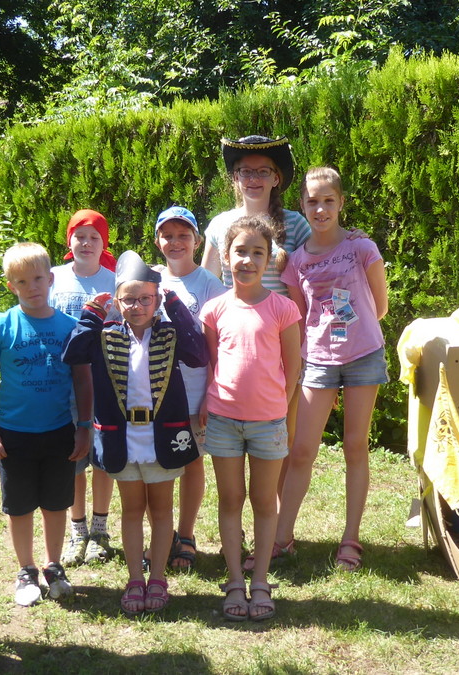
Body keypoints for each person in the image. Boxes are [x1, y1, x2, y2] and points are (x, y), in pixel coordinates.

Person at [62, 250, 207, 616]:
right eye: (128, 299)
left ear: (157, 300)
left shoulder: (169, 334)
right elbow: (73, 352)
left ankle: (157, 577)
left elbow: (199, 353)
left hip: (162, 435)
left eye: (146, 299)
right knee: (131, 510)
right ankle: (134, 579)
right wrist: (92, 313)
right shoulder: (105, 335)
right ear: (117, 301)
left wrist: (174, 303)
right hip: (121, 437)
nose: (137, 306)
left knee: (161, 509)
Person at [275, 166, 389, 572]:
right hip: (319, 361)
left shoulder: (362, 248)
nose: (320, 209)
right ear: (302, 205)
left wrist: (349, 331)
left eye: (328, 200)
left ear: (341, 202)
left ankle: (350, 540)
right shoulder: (296, 262)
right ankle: (281, 539)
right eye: (312, 201)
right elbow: (300, 316)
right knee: (302, 450)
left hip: (363, 356)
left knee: (355, 446)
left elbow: (380, 306)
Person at [199, 215, 302, 621]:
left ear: (269, 259)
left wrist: (277, 409)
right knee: (230, 500)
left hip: (268, 424)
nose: (248, 260)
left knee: (263, 501)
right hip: (223, 421)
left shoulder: (284, 309)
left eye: (258, 252)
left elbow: (293, 369)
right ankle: (234, 581)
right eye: (240, 251)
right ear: (226, 257)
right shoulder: (213, 310)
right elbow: (211, 364)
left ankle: (260, 581)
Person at [0, 242, 92, 608]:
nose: (32, 287)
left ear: (51, 279)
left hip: (60, 432)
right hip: (14, 435)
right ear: (10, 285)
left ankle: (54, 566)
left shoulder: (70, 328)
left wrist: (84, 426)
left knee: (56, 503)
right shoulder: (1, 327)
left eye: (38, 279)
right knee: (19, 506)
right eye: (22, 281)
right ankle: (26, 570)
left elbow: (83, 381)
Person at [153, 206, 226, 572]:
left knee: (192, 461)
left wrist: (212, 393)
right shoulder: (149, 280)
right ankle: (161, 535)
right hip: (154, 392)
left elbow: (219, 345)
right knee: (158, 463)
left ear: (197, 241)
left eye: (183, 235)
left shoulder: (210, 284)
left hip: (195, 392)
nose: (175, 242)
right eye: (167, 235)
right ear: (157, 241)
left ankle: (186, 534)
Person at [49, 209, 118, 567]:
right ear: (69, 241)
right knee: (74, 457)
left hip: (105, 383)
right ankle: (77, 530)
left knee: (102, 458)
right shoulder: (53, 278)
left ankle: (100, 529)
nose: (87, 243)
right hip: (64, 385)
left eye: (94, 237)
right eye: (80, 236)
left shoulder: (115, 280)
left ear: (104, 242)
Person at [200, 135, 310, 296]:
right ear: (236, 177)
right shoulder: (220, 225)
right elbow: (205, 285)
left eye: (263, 171)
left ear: (275, 178)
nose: (253, 179)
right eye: (246, 171)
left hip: (282, 313)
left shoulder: (295, 224)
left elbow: (316, 273)